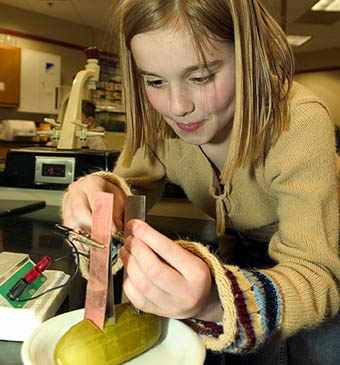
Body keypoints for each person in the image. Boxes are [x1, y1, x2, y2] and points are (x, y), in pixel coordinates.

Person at [63, 0, 340, 363]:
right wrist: (103, 196)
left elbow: (317, 276)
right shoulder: (160, 120)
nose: (176, 106)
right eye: (155, 81)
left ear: (249, 58)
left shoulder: (300, 122)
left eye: (201, 77)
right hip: (240, 251)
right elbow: (132, 183)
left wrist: (215, 302)